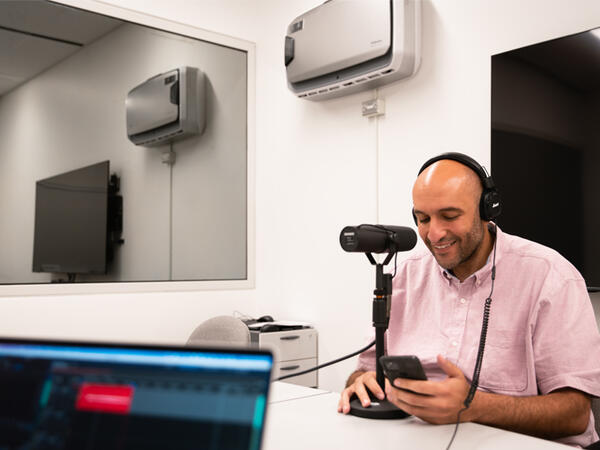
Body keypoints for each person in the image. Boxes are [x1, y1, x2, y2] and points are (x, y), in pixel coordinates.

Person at [337, 152, 600, 448]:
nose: (434, 234)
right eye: (423, 219)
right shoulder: (405, 275)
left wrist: (474, 406)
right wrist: (360, 382)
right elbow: (366, 370)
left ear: (487, 210)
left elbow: (575, 415)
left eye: (450, 216)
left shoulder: (551, 276)